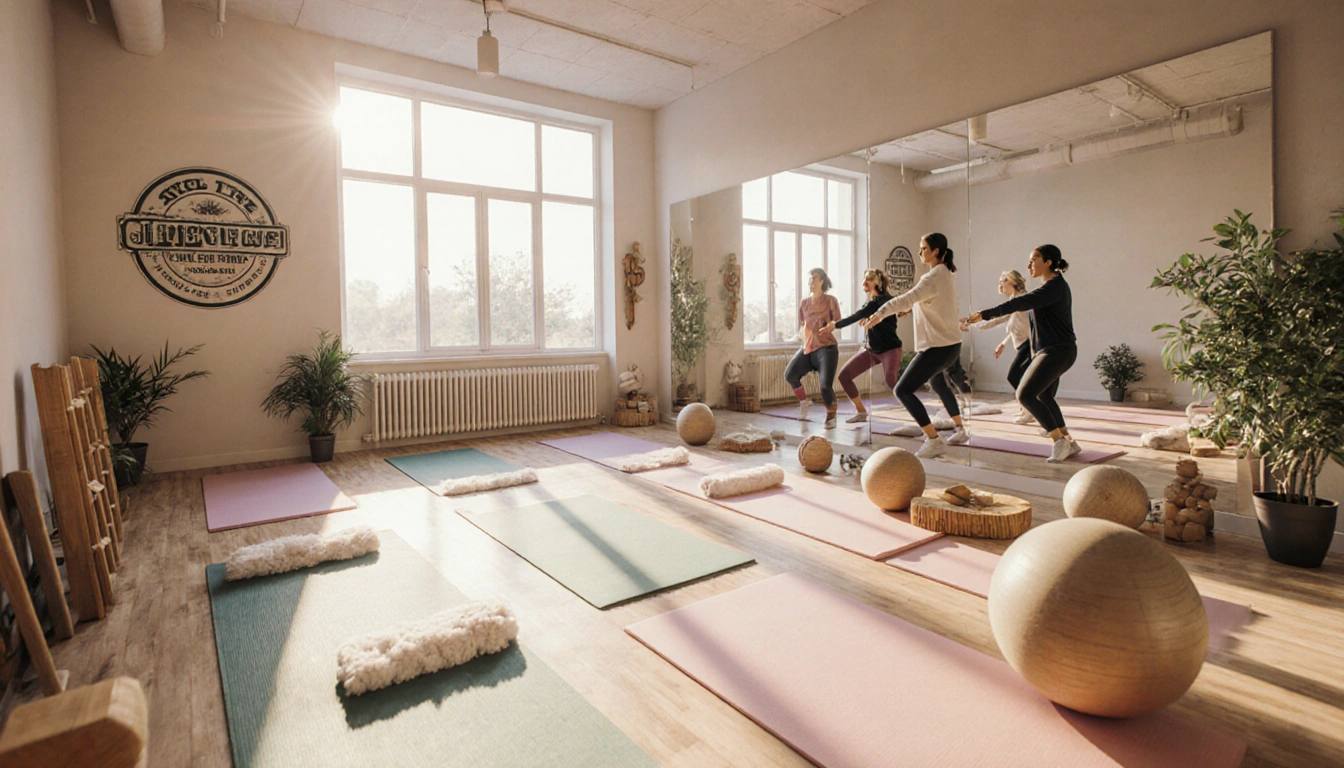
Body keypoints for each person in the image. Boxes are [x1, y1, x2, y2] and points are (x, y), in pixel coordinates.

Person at [963, 245, 1080, 463]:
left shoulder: (1053, 288)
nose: (1029, 265)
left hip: (1058, 351)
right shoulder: (1050, 287)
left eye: (1034, 259)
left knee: (1024, 394)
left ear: (1048, 262)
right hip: (1054, 350)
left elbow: (1018, 303)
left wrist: (984, 314)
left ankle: (1059, 442)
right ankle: (1067, 440)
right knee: (1044, 395)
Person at [860, 233, 967, 458]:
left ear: (936, 251)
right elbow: (929, 301)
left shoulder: (932, 277)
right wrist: (915, 307)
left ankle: (933, 439)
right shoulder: (945, 274)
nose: (920, 253)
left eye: (923, 248)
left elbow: (905, 298)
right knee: (938, 384)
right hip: (951, 345)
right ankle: (960, 429)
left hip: (937, 347)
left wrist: (879, 315)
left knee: (902, 389)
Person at [821, 269, 904, 423]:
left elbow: (857, 315)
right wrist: (868, 321)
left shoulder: (880, 301)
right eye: (864, 279)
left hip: (890, 349)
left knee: (890, 381)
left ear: (878, 283)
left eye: (869, 279)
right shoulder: (871, 302)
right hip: (872, 350)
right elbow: (867, 316)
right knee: (844, 376)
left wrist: (835, 325)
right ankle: (861, 411)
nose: (864, 282)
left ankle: (917, 413)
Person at [962, 270, 1034, 424]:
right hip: (1023, 346)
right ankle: (1027, 409)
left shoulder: (1021, 301)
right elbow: (1002, 322)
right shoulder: (1015, 300)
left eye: (1003, 280)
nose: (1000, 284)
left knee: (1015, 376)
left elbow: (1026, 326)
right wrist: (1003, 342)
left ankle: (1030, 410)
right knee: (1021, 378)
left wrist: (972, 325)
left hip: (1029, 346)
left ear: (1013, 282)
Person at [784, 268, 843, 429]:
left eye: (814, 279)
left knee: (825, 386)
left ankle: (831, 413)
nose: (810, 282)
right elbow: (803, 324)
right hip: (808, 348)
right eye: (809, 279)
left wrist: (830, 326)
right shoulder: (804, 303)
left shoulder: (830, 300)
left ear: (821, 281)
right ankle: (804, 402)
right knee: (790, 374)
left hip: (827, 349)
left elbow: (837, 321)